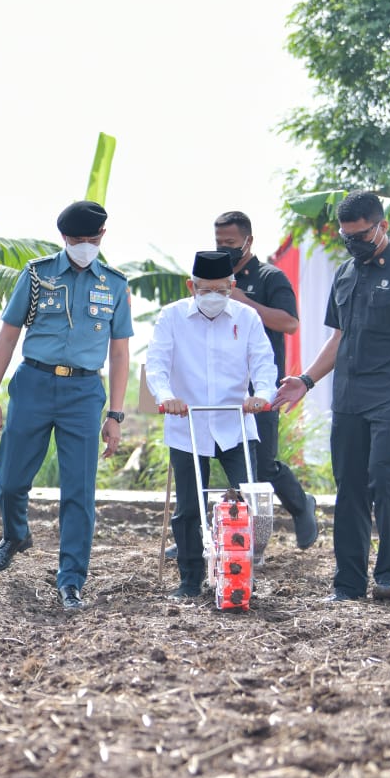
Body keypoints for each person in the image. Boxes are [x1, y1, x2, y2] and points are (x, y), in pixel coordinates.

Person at [274, 190, 390, 602]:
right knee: (348, 488)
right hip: (348, 397)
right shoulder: (345, 273)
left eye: (361, 235)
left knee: (385, 479)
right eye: (348, 237)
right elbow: (338, 339)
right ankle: (347, 584)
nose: (355, 243)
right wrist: (306, 380)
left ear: (382, 226)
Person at [0, 199, 132, 610]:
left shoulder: (115, 285)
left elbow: (120, 354)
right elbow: (8, 335)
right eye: (76, 239)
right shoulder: (37, 275)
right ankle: (15, 535)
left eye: (91, 238)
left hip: (83, 393)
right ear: (63, 238)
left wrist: (115, 415)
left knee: (79, 491)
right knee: (11, 479)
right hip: (33, 382)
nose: (84, 245)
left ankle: (71, 579)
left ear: (102, 236)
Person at [147, 251, 277, 599]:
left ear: (232, 287)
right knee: (189, 506)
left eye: (221, 290)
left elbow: (263, 362)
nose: (214, 297)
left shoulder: (247, 318)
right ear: (192, 287)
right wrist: (166, 395)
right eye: (206, 290)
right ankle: (189, 580)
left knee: (250, 500)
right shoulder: (172, 317)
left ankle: (241, 573)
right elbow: (157, 363)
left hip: (236, 421)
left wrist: (261, 394)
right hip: (187, 422)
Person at [214, 210, 319, 549]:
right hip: (221, 387)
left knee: (261, 465)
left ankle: (302, 506)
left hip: (259, 387)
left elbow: (289, 323)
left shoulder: (269, 277)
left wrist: (247, 303)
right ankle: (206, 535)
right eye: (218, 242)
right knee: (220, 461)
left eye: (229, 243)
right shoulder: (215, 275)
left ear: (248, 240)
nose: (223, 248)